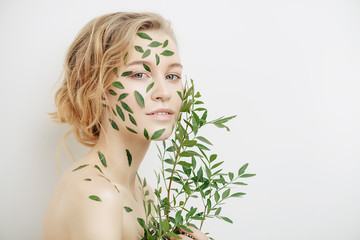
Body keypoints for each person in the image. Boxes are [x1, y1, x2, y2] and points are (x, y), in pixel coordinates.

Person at [42, 12, 208, 240]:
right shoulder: (98, 196)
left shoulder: (145, 194)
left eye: (172, 76)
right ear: (98, 89)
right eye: (140, 74)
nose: (164, 92)